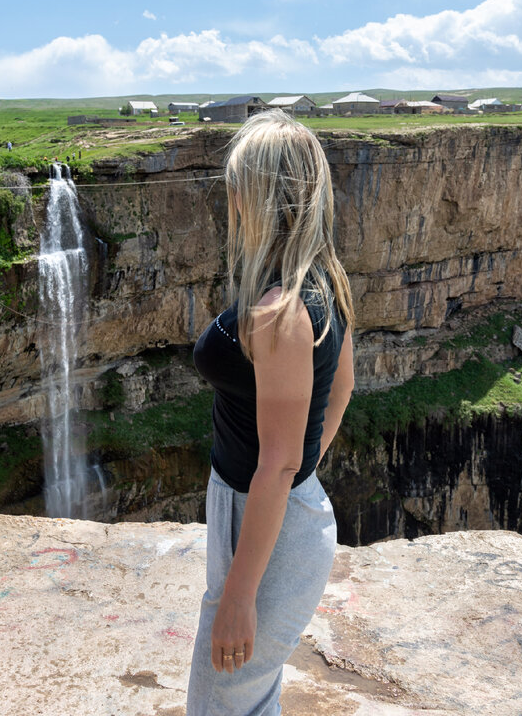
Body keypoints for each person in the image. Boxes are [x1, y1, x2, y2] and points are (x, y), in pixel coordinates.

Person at [187, 108, 355, 715]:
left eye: (238, 185)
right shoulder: (324, 281)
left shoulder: (280, 313)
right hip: (274, 511)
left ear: (260, 195)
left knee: (221, 699)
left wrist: (240, 594)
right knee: (249, 696)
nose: (229, 197)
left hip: (263, 519)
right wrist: (301, 471)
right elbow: (340, 392)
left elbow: (276, 463)